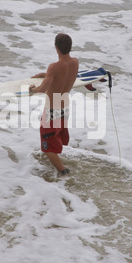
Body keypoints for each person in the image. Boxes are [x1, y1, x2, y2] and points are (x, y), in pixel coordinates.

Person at [29, 33, 79, 175]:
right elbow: (65, 75)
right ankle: (58, 162)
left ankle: (63, 172)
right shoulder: (75, 62)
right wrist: (46, 75)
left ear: (56, 48)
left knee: (47, 147)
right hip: (65, 107)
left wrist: (32, 89)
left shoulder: (54, 67)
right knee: (55, 138)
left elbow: (42, 90)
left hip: (52, 110)